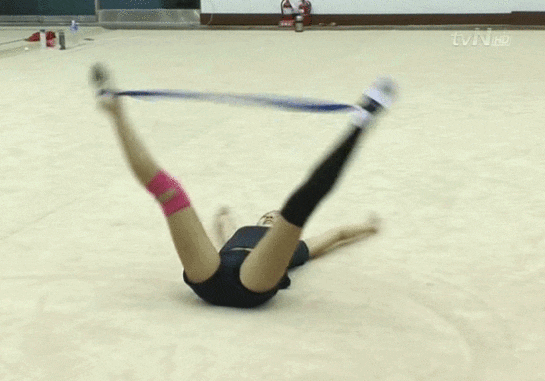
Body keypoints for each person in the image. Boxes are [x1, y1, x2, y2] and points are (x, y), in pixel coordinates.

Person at [91, 63, 396, 308]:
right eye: (269, 215)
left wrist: (368, 228)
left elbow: (335, 236)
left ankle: (360, 124)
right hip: (212, 272)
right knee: (169, 193)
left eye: (273, 216)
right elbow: (224, 226)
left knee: (298, 206)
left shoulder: (294, 246)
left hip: (251, 281)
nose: (271, 215)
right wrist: (224, 215)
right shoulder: (239, 233)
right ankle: (116, 113)